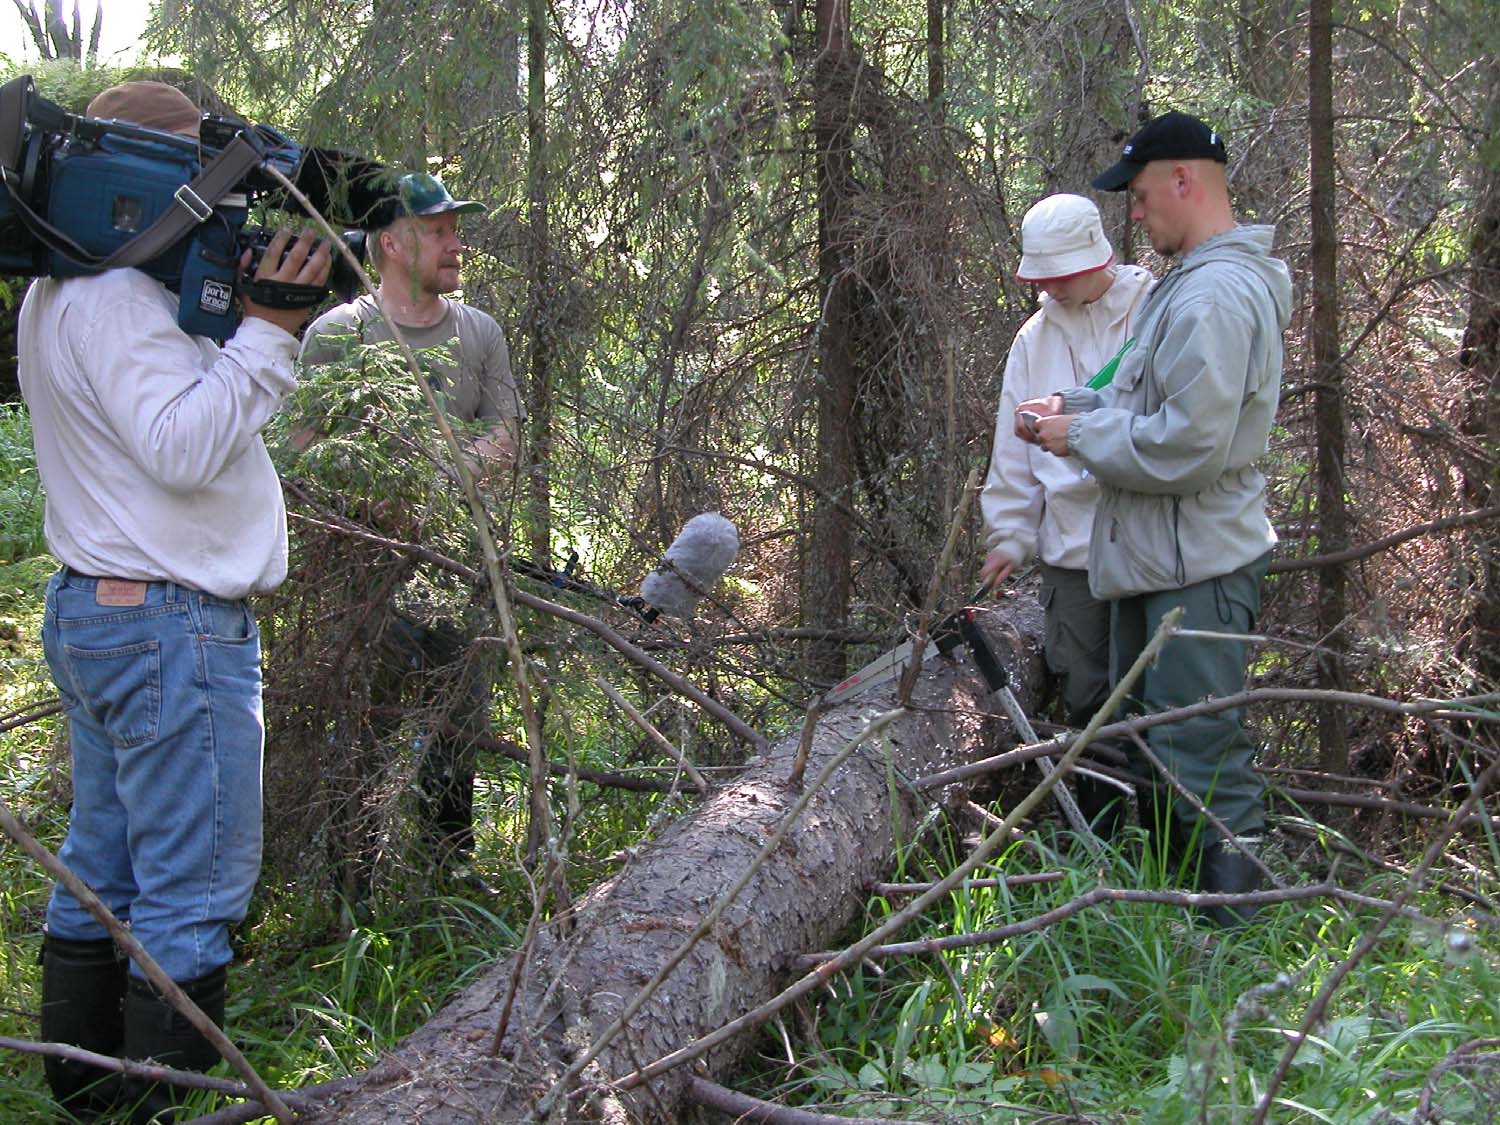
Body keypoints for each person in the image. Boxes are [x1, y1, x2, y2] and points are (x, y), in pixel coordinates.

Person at [20, 81, 331, 1116]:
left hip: (108, 614)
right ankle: (164, 1106)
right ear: (153, 180)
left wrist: (236, 320)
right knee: (191, 892)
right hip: (167, 627)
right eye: (207, 173)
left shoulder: (70, 289)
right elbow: (183, 447)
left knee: (103, 862)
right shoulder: (113, 299)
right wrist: (273, 333)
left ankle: (84, 1096)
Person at [1015, 112, 1292, 925]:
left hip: (1197, 570)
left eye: (1139, 197)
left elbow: (1188, 446)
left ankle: (1234, 954)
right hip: (1157, 564)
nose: (1135, 216)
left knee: (1199, 755)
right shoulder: (1186, 284)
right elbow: (1146, 397)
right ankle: (1178, 930)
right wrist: (1077, 404)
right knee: (1153, 748)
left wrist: (1078, 434)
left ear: (1184, 181)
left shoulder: (1216, 292)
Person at [298, 171, 524, 889]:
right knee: (365, 722)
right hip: (365, 572)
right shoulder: (340, 334)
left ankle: (451, 869)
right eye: (439, 231)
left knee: (460, 715)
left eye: (456, 229)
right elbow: (305, 445)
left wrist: (440, 478)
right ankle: (351, 886)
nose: (456, 243)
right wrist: (378, 495)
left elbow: (506, 434)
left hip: (458, 564)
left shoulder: (480, 331)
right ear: (392, 242)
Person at [979, 193, 1153, 836]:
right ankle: (1105, 848)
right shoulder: (1035, 337)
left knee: (1162, 699)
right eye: (1040, 275)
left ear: (1098, 257)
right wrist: (1011, 535)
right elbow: (1011, 452)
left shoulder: (1154, 309)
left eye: (1060, 273)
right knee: (1088, 699)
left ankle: (1173, 852)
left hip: (1153, 540)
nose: (1048, 287)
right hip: (1074, 553)